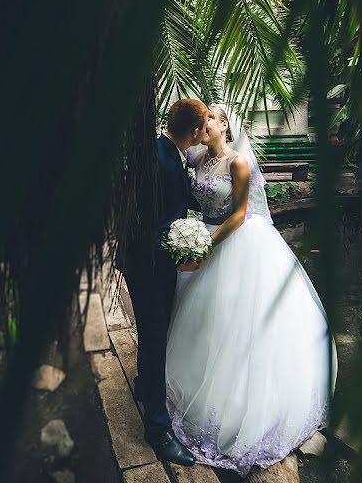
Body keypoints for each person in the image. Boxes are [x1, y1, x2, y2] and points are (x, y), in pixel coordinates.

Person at [164, 104, 338, 475]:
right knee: (205, 321)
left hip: (234, 241)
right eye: (202, 119)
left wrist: (207, 246)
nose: (204, 123)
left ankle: (242, 404)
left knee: (237, 321)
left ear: (224, 125)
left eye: (211, 117)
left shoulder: (238, 163)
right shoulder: (195, 157)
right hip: (203, 236)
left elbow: (241, 213)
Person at [118, 98, 209, 466]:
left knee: (152, 331)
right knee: (156, 337)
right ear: (196, 130)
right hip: (150, 263)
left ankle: (144, 384)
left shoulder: (162, 149)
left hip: (144, 260)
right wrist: (180, 250)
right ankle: (158, 428)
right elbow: (150, 220)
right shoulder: (164, 160)